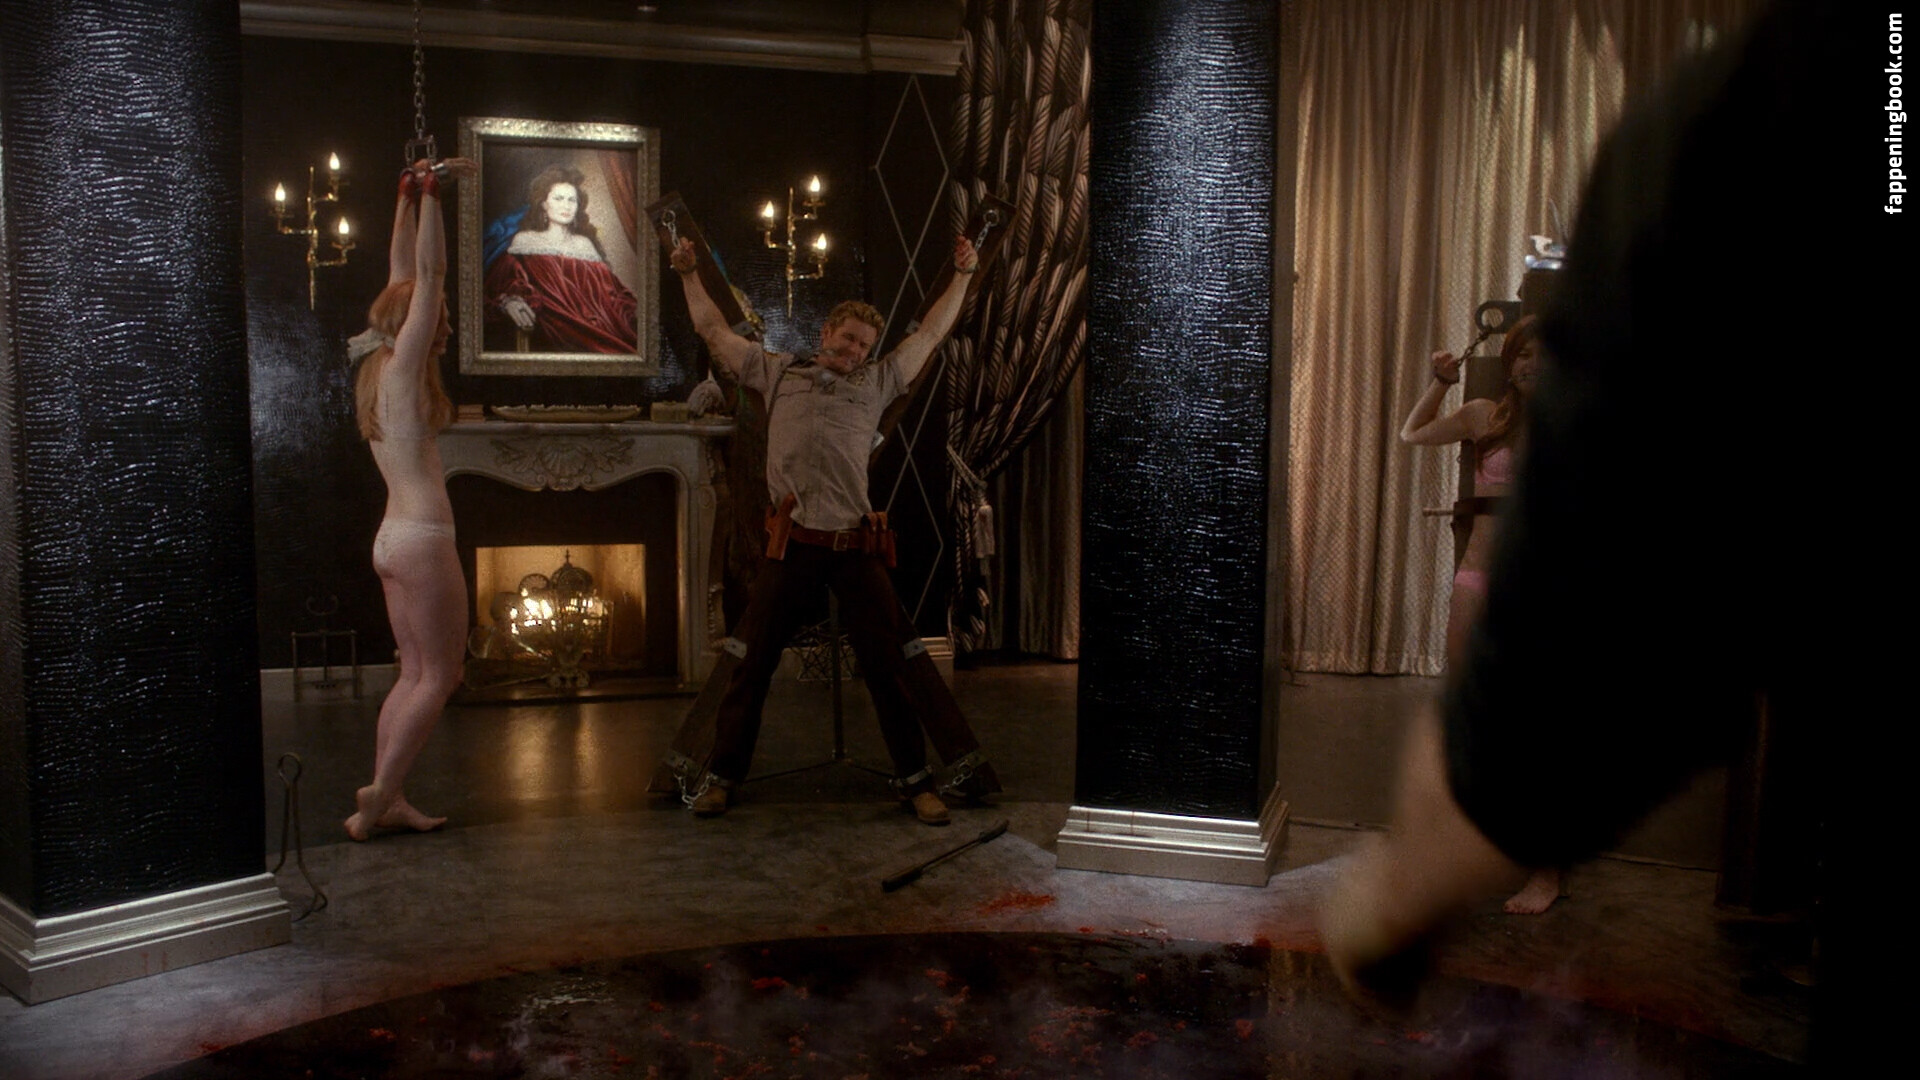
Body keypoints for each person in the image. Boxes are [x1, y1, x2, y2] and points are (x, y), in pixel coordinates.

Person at [1319, 1, 1904, 1067]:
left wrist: (1445, 843)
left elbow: (1647, 558)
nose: (1532, 364)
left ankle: (1531, 864)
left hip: (1528, 669)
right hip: (1483, 598)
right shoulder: (1494, 412)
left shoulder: (1787, 100)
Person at [660, 231, 1002, 824]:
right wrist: (689, 273)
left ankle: (916, 783)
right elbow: (713, 330)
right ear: (826, 333)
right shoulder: (776, 372)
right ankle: (722, 778)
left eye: (865, 344)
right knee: (750, 665)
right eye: (848, 338)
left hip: (853, 547)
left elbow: (931, 334)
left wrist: (965, 276)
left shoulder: (879, 381)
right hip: (792, 544)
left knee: (888, 668)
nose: (855, 351)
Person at [1398, 316, 1562, 915]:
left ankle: (1546, 869)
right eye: (1522, 354)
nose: (1531, 364)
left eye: (1544, 355)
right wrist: (1441, 382)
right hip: (1476, 580)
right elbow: (1412, 433)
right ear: (1509, 363)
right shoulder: (1482, 416)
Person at [343, 156, 476, 841]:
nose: (443, 326)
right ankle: (379, 795)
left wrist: (403, 195)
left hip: (391, 540)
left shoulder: (379, 368)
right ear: (416, 323)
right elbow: (429, 273)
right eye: (437, 319)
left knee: (413, 673)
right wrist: (433, 194)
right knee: (442, 675)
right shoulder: (406, 367)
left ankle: (387, 796)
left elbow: (402, 276)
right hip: (423, 542)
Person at [484, 164, 638, 354]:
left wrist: (634, 310)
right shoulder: (526, 240)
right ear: (543, 204)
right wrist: (511, 301)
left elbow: (612, 293)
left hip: (603, 326)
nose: (566, 206)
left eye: (572, 200)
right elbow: (508, 281)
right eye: (558, 198)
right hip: (557, 327)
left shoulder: (584, 244)